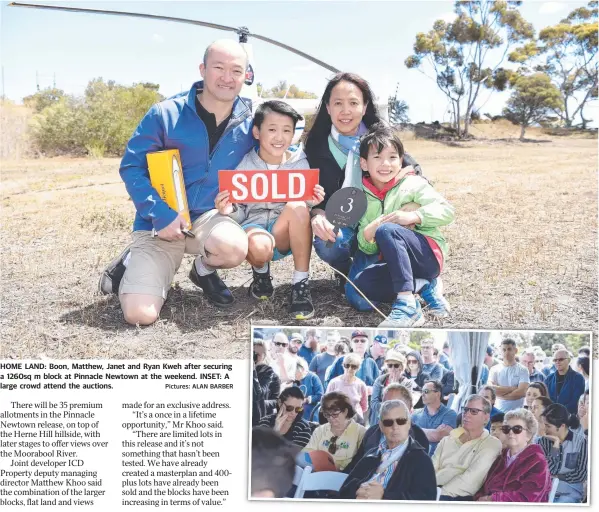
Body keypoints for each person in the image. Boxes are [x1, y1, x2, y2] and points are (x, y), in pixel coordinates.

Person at [99, 40, 255, 324]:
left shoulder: (253, 120)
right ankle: (130, 261)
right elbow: (132, 167)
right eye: (218, 67)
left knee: (234, 248)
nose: (227, 77)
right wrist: (160, 215)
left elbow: (276, 151)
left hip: (210, 219)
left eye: (236, 70)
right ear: (202, 69)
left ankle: (202, 268)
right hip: (161, 222)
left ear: (246, 76)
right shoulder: (164, 113)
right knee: (140, 316)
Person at [304, 72, 422, 293]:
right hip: (342, 221)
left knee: (362, 297)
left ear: (365, 106)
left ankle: (389, 268)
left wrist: (406, 189)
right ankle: (346, 270)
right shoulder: (316, 146)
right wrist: (316, 215)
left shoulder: (380, 139)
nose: (345, 111)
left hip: (376, 224)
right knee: (326, 244)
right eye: (338, 103)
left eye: (353, 103)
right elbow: (314, 195)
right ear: (328, 107)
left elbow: (414, 170)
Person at [215, 100, 324, 319]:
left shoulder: (300, 162)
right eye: (272, 129)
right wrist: (229, 209)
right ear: (256, 132)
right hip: (254, 229)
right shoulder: (244, 164)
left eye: (286, 130)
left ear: (294, 134)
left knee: (297, 205)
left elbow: (302, 210)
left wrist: (312, 201)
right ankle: (261, 274)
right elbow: (240, 211)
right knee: (259, 247)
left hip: (282, 232)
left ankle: (300, 285)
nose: (279, 137)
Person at [346, 124, 455, 326]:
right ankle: (424, 286)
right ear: (363, 163)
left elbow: (447, 211)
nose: (385, 164)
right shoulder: (361, 195)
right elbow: (367, 246)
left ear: (401, 159)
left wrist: (414, 216)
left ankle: (407, 305)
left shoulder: (413, 184)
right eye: (377, 157)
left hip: (426, 256)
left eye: (392, 157)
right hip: (395, 263)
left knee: (387, 229)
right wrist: (371, 230)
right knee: (362, 283)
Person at [338, 400, 437, 500]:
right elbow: (344, 490)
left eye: (401, 421)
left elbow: (426, 502)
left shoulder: (421, 459)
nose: (395, 427)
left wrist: (384, 496)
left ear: (409, 423)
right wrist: (358, 490)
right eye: (388, 422)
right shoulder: (371, 454)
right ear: (381, 426)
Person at [346, 383, 430, 475]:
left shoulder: (419, 437)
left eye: (396, 405)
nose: (389, 409)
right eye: (386, 404)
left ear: (409, 411)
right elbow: (356, 465)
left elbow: (414, 476)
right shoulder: (372, 432)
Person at [433, 394, 502, 501]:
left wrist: (437, 494)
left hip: (457, 498)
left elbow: (471, 481)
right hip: (432, 491)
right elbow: (431, 468)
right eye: (465, 410)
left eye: (474, 411)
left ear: (486, 417)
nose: (467, 415)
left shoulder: (492, 444)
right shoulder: (447, 440)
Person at [474, 409, 551, 502]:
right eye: (506, 429)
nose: (511, 432)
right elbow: (484, 486)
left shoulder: (537, 461)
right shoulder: (500, 456)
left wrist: (492, 499)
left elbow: (528, 497)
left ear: (529, 435)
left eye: (517, 429)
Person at [302, 392, 366, 471]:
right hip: (317, 474)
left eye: (335, 414)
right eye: (327, 415)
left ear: (345, 411)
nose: (331, 418)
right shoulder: (320, 430)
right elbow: (307, 453)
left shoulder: (360, 432)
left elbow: (361, 463)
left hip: (344, 477)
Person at [537, 403, 588, 503]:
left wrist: (557, 477)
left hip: (571, 492)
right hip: (546, 490)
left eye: (548, 426)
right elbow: (547, 470)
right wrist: (555, 446)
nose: (544, 429)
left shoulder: (581, 442)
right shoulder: (542, 441)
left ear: (562, 426)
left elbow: (581, 474)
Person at [412, 379, 458, 455]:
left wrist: (414, 430)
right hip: (417, 460)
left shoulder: (450, 414)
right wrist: (433, 432)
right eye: (422, 391)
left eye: (426, 391)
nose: (422, 394)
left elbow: (437, 436)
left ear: (438, 394)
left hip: (439, 463)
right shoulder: (415, 414)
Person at [251, 426, 299, 498]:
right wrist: (277, 428)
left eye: (296, 413)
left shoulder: (303, 428)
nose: (291, 413)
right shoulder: (267, 420)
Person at [369, 350, 414, 425]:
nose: (393, 368)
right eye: (390, 365)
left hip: (398, 423)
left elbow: (406, 405)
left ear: (402, 367)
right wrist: (391, 406)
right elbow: (373, 403)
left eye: (396, 365)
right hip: (378, 422)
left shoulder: (407, 384)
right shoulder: (380, 380)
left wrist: (394, 386)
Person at [487, 338, 529, 412]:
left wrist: (500, 395)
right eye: (504, 350)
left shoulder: (523, 370)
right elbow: (491, 390)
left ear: (515, 351)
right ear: (501, 351)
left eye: (509, 349)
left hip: (518, 413)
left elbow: (522, 392)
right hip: (498, 413)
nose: (506, 352)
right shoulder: (494, 369)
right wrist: (512, 388)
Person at [326, 353, 369, 423]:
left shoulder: (361, 385)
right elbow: (326, 403)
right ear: (343, 366)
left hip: (355, 421)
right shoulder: (333, 382)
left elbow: (364, 407)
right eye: (347, 365)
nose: (350, 369)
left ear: (358, 368)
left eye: (353, 366)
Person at [544, 349, 586, 414]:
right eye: (555, 360)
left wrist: (558, 412)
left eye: (561, 359)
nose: (557, 362)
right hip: (551, 417)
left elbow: (576, 401)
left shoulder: (578, 378)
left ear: (569, 360)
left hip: (569, 418)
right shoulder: (549, 379)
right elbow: (545, 399)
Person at [254, 338, 281, 420]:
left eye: (258, 354)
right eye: (253, 353)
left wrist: (261, 404)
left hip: (261, 417)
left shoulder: (270, 374)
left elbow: (276, 401)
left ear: (264, 356)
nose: (254, 357)